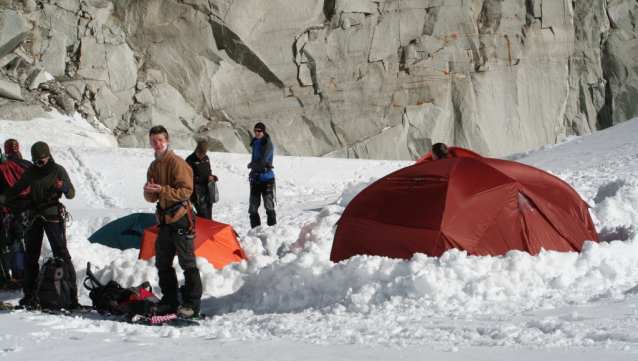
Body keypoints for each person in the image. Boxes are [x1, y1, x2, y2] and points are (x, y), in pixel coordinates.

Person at [0, 141, 78, 308]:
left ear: (48, 157)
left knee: (61, 254)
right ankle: (29, 294)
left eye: (41, 161)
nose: (38, 165)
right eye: (35, 161)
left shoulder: (58, 170)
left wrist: (63, 186)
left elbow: (71, 194)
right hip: (35, 216)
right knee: (30, 256)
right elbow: (17, 189)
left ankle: (71, 295)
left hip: (52, 215)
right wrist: (2, 198)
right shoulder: (30, 172)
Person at [143, 125, 202, 318]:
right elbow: (151, 198)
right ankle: (170, 299)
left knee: (187, 261)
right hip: (164, 220)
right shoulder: (154, 166)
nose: (157, 144)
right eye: (154, 141)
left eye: (160, 140)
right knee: (163, 262)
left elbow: (187, 191)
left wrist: (162, 190)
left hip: (181, 219)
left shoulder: (177, 164)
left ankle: (192, 302)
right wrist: (149, 191)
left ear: (167, 141)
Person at [0, 139, 32, 291]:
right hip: (31, 210)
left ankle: (18, 276)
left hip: (12, 212)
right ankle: (31, 273)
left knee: (15, 245)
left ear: (6, 150)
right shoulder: (28, 165)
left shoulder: (3, 168)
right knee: (31, 243)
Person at [247, 122, 276, 228]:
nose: (257, 133)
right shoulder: (255, 142)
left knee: (268, 206)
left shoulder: (268, 144)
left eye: (259, 131)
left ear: (263, 132)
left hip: (266, 177)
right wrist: (252, 171)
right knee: (253, 207)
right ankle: (255, 230)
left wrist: (251, 165)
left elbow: (263, 161)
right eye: (255, 131)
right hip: (255, 178)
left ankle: (272, 229)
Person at [185, 140, 218, 220]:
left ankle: (206, 228)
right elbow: (188, 178)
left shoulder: (206, 158)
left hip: (208, 189)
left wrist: (212, 177)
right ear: (197, 151)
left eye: (204, 154)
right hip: (197, 191)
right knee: (203, 214)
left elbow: (208, 171)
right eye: (201, 154)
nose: (202, 156)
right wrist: (204, 178)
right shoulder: (190, 160)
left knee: (209, 212)